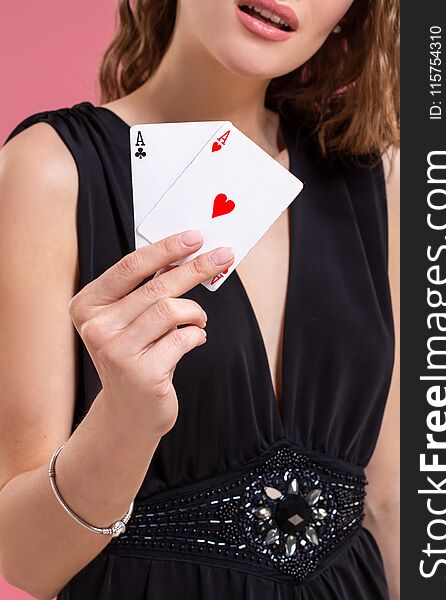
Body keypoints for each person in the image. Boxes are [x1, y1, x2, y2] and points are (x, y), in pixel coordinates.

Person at [0, 1, 400, 598]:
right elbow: (25, 562)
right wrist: (124, 423)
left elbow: (390, 501)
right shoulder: (50, 170)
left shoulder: (380, 178)